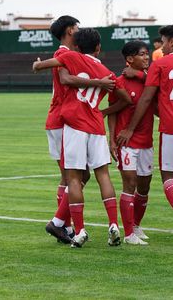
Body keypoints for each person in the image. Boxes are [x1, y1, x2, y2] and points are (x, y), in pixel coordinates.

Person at [33, 28, 132, 248]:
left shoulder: (70, 56)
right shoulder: (106, 71)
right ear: (98, 48)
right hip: (96, 127)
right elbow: (126, 99)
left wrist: (37, 64)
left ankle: (79, 231)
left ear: (77, 46)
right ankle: (113, 225)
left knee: (74, 178)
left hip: (75, 125)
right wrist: (103, 111)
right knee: (103, 175)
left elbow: (44, 66)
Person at [116, 25, 173, 245]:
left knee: (169, 176)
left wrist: (130, 128)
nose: (160, 46)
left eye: (163, 41)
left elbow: (146, 99)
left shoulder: (161, 64)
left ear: (172, 42)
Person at [43, 15, 92, 243]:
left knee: (72, 176)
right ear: (70, 30)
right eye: (77, 27)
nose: (79, 31)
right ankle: (59, 223)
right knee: (76, 175)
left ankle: (64, 226)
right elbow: (66, 80)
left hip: (58, 120)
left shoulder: (64, 54)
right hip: (63, 121)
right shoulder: (63, 54)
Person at [107, 40, 155, 245]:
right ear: (129, 59)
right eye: (142, 54)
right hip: (125, 141)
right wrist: (111, 139)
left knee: (144, 186)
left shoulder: (150, 78)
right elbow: (113, 111)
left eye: (147, 54)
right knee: (130, 183)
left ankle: (135, 225)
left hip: (147, 140)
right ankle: (128, 234)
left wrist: (140, 75)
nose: (147, 58)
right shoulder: (120, 82)